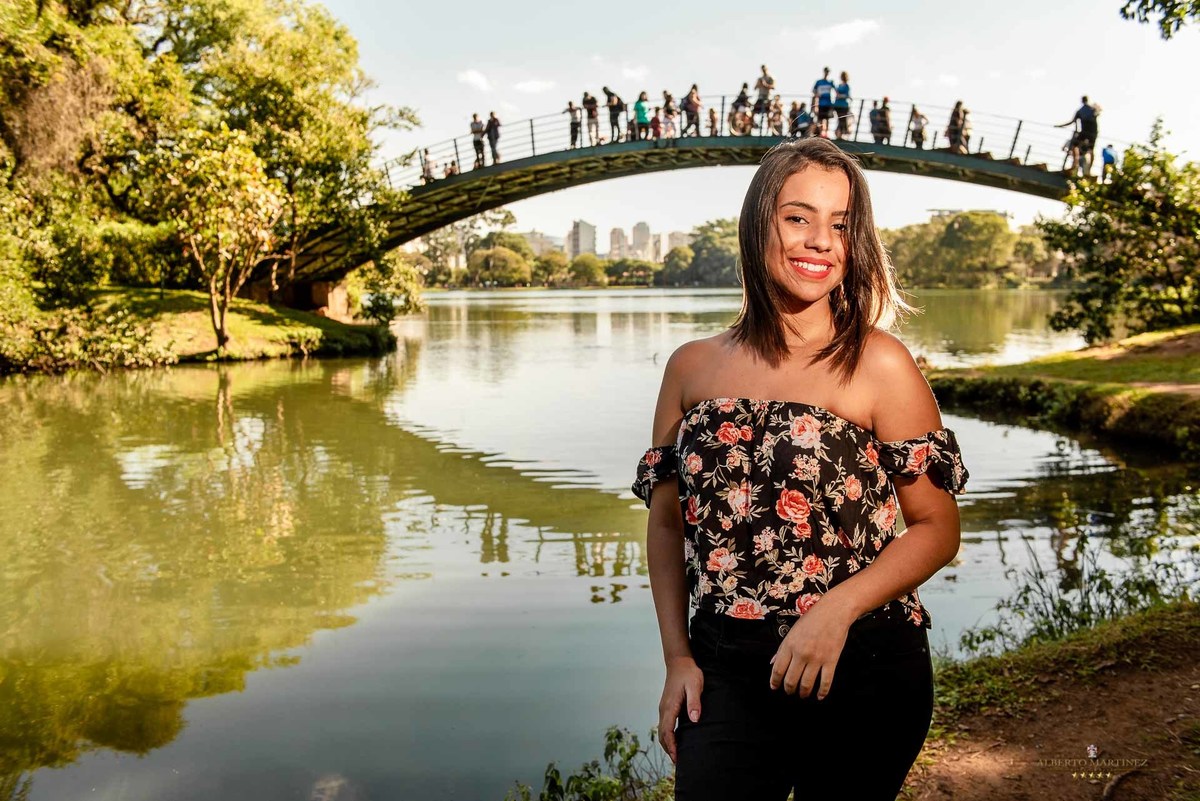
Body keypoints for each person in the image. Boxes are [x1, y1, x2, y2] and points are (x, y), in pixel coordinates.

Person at [632, 136, 970, 801]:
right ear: (759, 221)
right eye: (798, 217)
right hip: (725, 668)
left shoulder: (879, 364)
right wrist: (677, 656)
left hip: (863, 663)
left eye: (840, 224)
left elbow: (936, 526)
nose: (821, 240)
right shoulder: (690, 367)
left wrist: (835, 611)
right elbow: (668, 528)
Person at [1056, 95, 1099, 178]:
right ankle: (1084, 169)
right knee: (1090, 150)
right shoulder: (1092, 108)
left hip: (1087, 132)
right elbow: (1098, 112)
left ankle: (1075, 165)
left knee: (1076, 146)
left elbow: (1072, 122)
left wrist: (1060, 126)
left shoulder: (1082, 110)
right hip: (1092, 132)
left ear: (1082, 101)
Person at [812, 67, 837, 137]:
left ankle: (826, 133)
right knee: (820, 119)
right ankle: (821, 133)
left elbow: (836, 91)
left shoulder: (830, 82)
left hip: (828, 103)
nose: (827, 73)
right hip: (820, 103)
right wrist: (817, 95)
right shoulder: (819, 82)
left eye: (828, 72)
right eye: (826, 71)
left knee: (827, 119)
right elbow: (813, 90)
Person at [833, 71, 852, 140]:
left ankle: (841, 134)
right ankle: (839, 134)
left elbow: (846, 95)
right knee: (840, 119)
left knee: (843, 120)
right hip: (838, 105)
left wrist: (840, 95)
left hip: (843, 105)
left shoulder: (846, 86)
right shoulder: (839, 85)